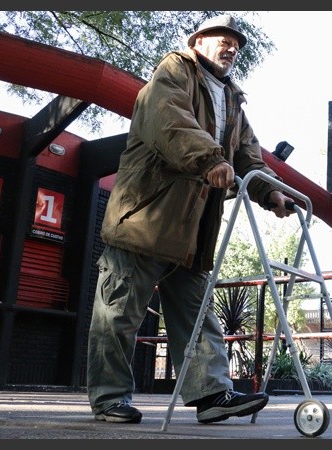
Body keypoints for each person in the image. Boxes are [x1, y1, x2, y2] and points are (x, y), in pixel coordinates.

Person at [87, 14, 295, 425]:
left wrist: (272, 191)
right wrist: (210, 159)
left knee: (198, 313)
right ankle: (109, 398)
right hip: (144, 218)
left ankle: (212, 393)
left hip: (193, 228)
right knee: (118, 314)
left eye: (237, 43)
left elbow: (249, 154)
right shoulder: (174, 71)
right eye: (224, 39)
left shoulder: (232, 98)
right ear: (198, 40)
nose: (232, 47)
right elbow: (168, 119)